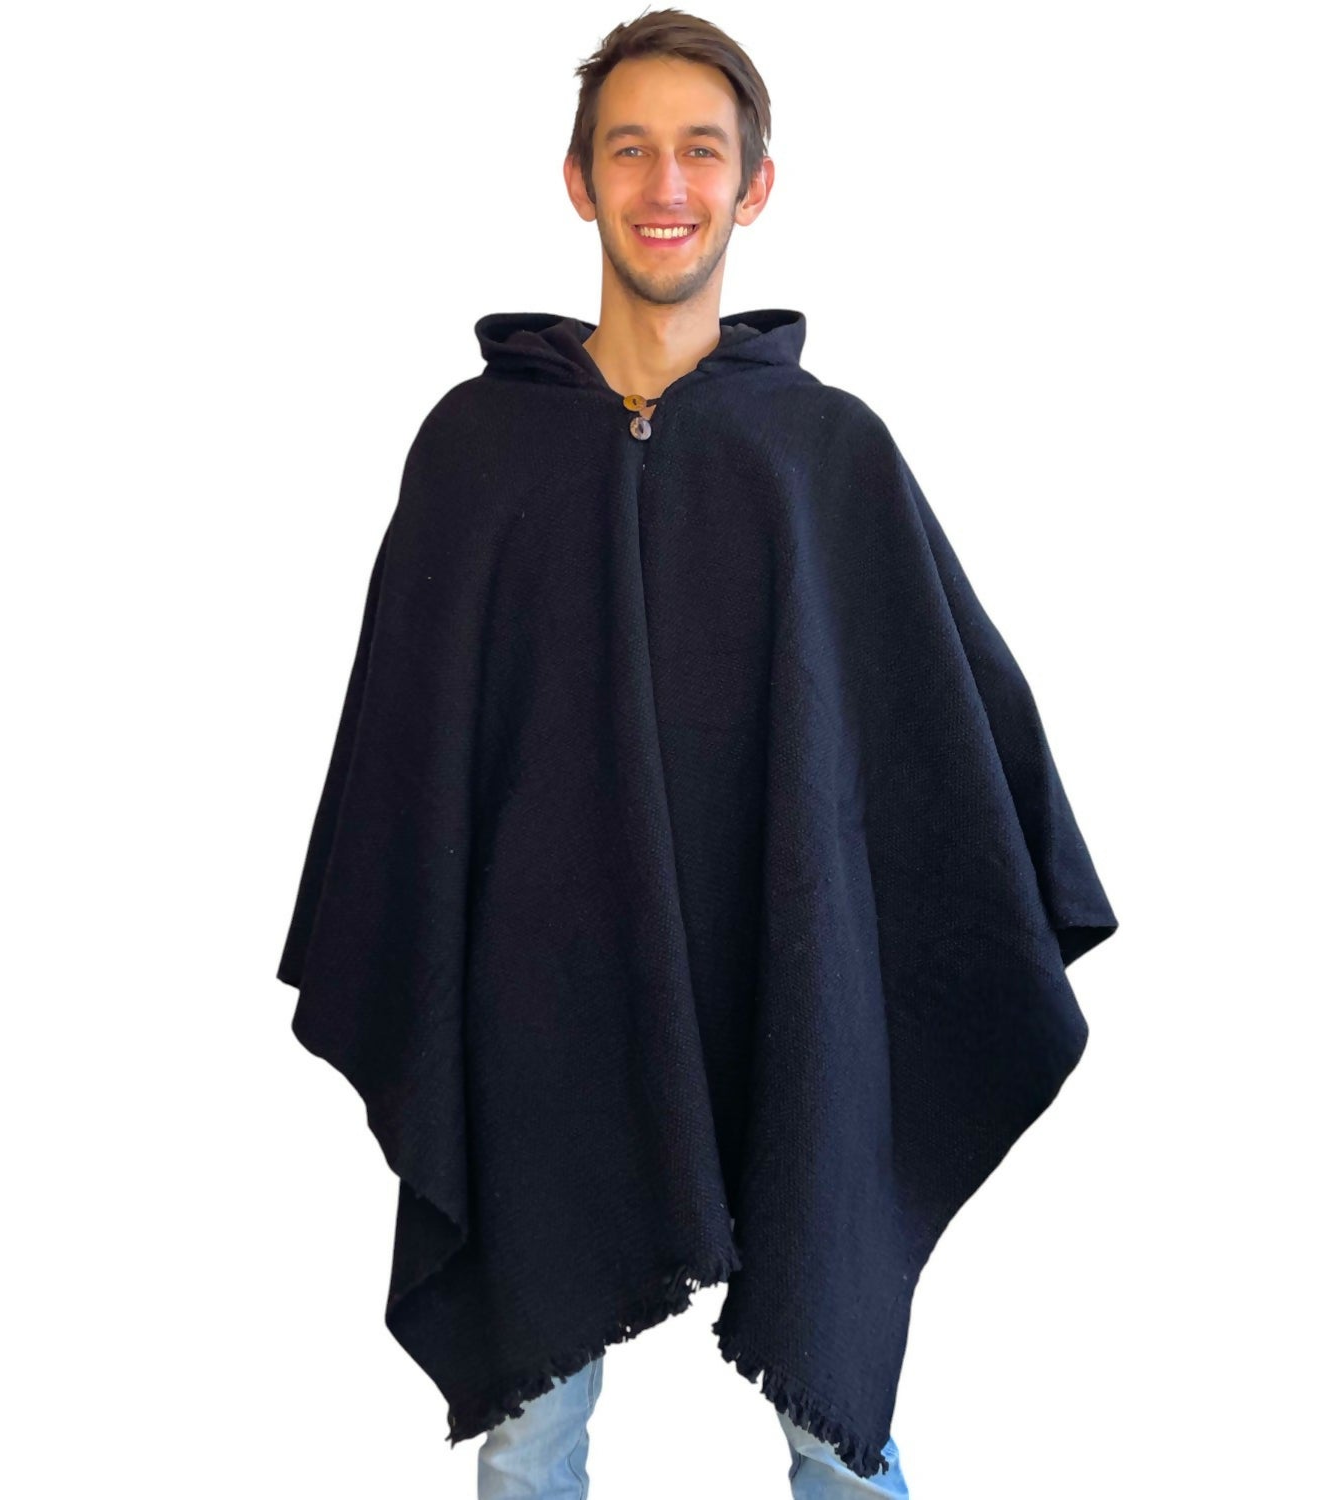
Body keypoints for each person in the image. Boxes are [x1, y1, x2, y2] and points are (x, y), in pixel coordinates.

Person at [278, 11, 1116, 1500]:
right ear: (578, 182)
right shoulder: (476, 452)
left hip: (790, 993)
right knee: (528, 1437)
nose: (666, 185)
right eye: (631, 150)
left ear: (754, 186)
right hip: (540, 1009)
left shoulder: (827, 454)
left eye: (701, 153)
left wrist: (993, 894)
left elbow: (938, 721)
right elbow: (405, 755)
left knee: (837, 1424)